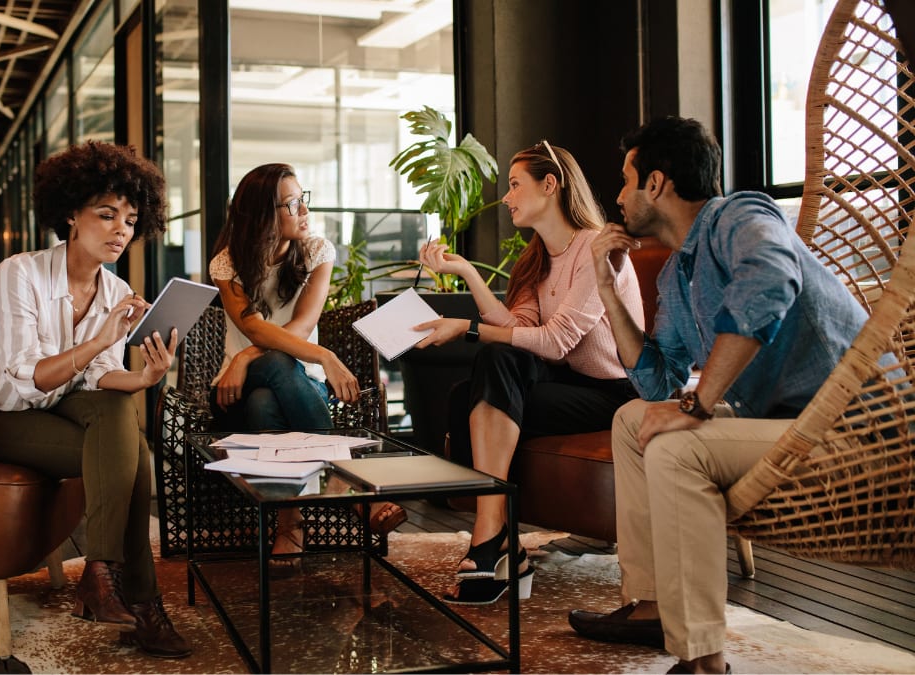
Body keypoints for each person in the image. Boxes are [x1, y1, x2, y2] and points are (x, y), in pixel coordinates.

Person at [569, 116, 869, 674]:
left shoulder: (741, 215)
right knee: (633, 421)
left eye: (624, 179)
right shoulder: (677, 277)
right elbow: (656, 383)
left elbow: (771, 281)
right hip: (786, 423)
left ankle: (704, 660)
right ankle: (654, 604)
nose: (616, 197)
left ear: (655, 184)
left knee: (678, 448)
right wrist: (607, 288)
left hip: (854, 425)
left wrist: (699, 405)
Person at [0, 141, 191, 659]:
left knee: (119, 416)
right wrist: (100, 340)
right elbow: (28, 379)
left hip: (60, 403)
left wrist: (146, 377)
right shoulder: (20, 273)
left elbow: (103, 379)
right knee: (135, 455)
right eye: (106, 215)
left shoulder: (115, 288)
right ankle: (145, 608)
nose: (120, 229)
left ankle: (101, 575)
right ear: (71, 215)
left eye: (130, 219)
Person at [413, 141, 644, 605]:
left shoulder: (595, 249)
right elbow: (519, 330)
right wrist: (468, 276)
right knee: (470, 392)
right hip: (567, 385)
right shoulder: (536, 258)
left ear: (550, 185)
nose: (507, 196)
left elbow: (556, 340)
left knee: (489, 367)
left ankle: (491, 538)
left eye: (516, 185)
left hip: (614, 391)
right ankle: (501, 540)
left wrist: (467, 329)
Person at [208, 162, 407, 574]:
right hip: (234, 389)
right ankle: (351, 491)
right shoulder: (227, 263)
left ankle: (289, 524)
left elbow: (300, 326)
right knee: (268, 378)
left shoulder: (317, 252)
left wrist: (247, 354)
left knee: (267, 402)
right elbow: (252, 327)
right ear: (263, 215)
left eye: (303, 199)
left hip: (292, 384)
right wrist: (325, 356)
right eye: (291, 204)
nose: (304, 211)